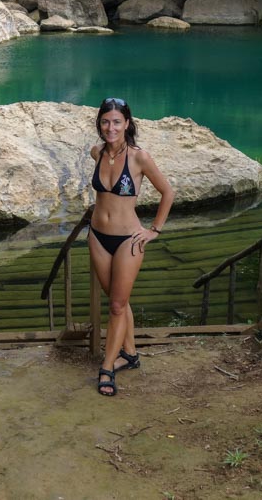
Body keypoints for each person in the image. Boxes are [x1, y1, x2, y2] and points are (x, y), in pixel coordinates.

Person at [89, 97, 174, 396]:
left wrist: (154, 230)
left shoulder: (140, 158)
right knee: (118, 301)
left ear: (127, 123)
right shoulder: (96, 152)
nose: (110, 127)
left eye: (116, 122)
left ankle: (108, 367)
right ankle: (130, 354)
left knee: (115, 305)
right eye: (105, 121)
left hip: (129, 239)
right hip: (98, 237)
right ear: (99, 124)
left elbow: (168, 192)